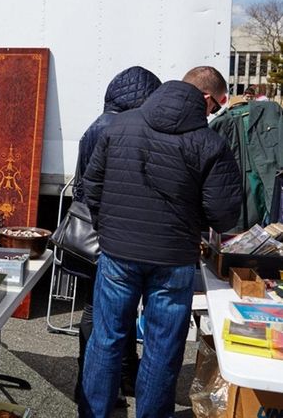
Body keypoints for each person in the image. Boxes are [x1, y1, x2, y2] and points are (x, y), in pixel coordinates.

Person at [79, 66, 242, 417]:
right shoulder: (210, 142)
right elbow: (224, 214)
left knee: (106, 341)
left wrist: (108, 229)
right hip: (174, 258)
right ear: (206, 98)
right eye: (216, 106)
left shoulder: (120, 125)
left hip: (118, 253)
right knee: (162, 348)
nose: (214, 113)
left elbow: (90, 186)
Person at [70, 66, 162, 405]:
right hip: (107, 236)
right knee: (99, 312)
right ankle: (89, 386)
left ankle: (119, 378)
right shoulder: (119, 127)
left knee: (107, 311)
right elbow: (99, 188)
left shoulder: (99, 123)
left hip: (98, 233)